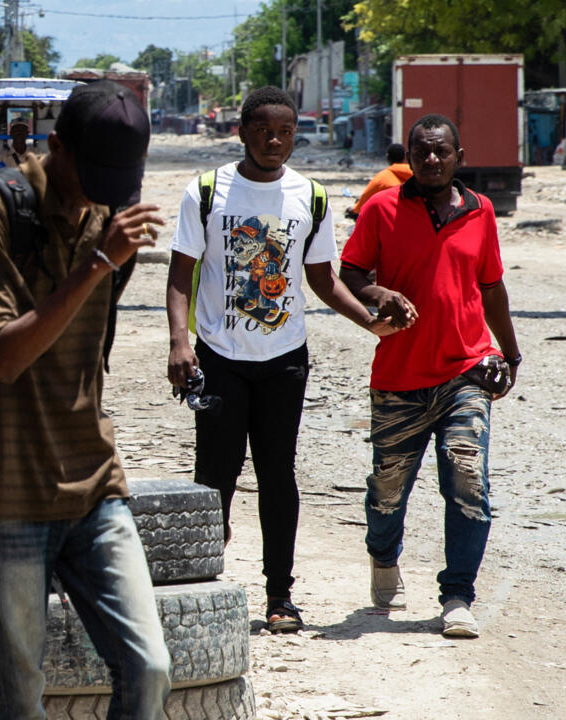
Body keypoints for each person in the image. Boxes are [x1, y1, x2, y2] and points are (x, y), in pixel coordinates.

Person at [0, 80, 171, 719]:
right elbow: (5, 357)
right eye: (95, 174)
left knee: (150, 669)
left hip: (95, 481)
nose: (106, 193)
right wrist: (97, 264)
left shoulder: (111, 214)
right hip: (7, 494)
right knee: (20, 702)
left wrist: (107, 255)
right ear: (56, 147)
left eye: (120, 179)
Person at [166, 86, 399, 634]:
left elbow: (324, 281)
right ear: (242, 131)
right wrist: (180, 342)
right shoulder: (206, 191)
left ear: (296, 135)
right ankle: (205, 589)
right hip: (219, 357)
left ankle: (280, 596)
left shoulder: (310, 197)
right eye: (265, 130)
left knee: (278, 475)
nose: (275, 141)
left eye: (286, 132)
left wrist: (371, 325)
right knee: (214, 477)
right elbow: (180, 275)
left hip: (284, 360)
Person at [340, 113, 520, 638]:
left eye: (442, 151)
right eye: (422, 151)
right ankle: (383, 556)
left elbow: (491, 287)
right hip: (398, 376)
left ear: (460, 157)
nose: (432, 159)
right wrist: (378, 294)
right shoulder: (381, 209)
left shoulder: (480, 212)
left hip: (465, 369)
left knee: (467, 479)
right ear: (410, 157)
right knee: (387, 489)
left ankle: (458, 594)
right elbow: (350, 272)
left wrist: (510, 355)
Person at [347, 143, 412, 219]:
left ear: (387, 158)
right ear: (405, 157)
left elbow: (365, 198)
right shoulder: (418, 175)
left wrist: (354, 210)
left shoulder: (382, 178)